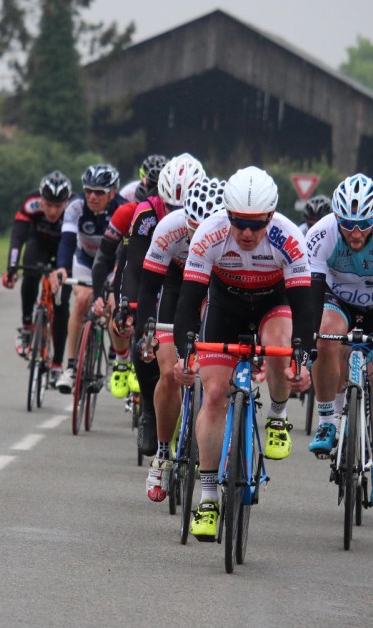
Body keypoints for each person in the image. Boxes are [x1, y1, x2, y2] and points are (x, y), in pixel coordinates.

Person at [171, 167, 313, 541]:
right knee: (214, 395)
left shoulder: (289, 238)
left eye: (256, 224)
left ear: (271, 216)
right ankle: (207, 497)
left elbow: (304, 307)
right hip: (225, 307)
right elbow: (189, 300)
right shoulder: (210, 233)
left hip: (272, 304)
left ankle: (279, 416)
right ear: (227, 214)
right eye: (239, 223)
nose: (247, 233)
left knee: (282, 346)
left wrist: (304, 357)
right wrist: (186, 354)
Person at [304, 173, 373, 511]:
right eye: (348, 225)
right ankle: (326, 421)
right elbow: (311, 293)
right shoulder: (321, 233)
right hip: (339, 302)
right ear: (336, 218)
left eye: (363, 225)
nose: (355, 233)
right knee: (323, 334)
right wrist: (306, 339)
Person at [136, 176, 226, 502]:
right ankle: (162, 454)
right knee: (169, 370)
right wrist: (146, 331)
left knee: (219, 370)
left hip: (219, 289)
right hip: (178, 289)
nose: (198, 236)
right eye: (192, 229)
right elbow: (148, 287)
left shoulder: (234, 233)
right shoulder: (169, 227)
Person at [111, 153, 204, 456]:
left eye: (183, 207)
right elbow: (135, 268)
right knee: (145, 339)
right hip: (163, 274)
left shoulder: (213, 212)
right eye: (170, 206)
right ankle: (151, 413)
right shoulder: (148, 213)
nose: (177, 213)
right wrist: (127, 304)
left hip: (200, 276)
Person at [89, 154, 169, 406]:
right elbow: (104, 259)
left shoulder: (176, 216)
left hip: (164, 273)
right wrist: (99, 296)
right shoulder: (127, 211)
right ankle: (122, 361)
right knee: (118, 307)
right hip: (127, 266)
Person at [53, 165, 126, 394]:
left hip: (114, 263)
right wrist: (62, 268)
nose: (92, 196)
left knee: (115, 306)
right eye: (88, 191)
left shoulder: (123, 209)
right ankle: (72, 367)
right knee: (82, 300)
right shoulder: (75, 206)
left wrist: (115, 285)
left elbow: (127, 253)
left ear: (112, 192)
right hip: (85, 260)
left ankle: (119, 362)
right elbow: (66, 240)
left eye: (99, 192)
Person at [2, 171, 74, 381]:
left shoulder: (75, 208)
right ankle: (26, 327)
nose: (52, 211)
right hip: (39, 245)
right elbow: (17, 238)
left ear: (66, 202)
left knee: (61, 305)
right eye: (48, 205)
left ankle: (57, 364)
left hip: (64, 249)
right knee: (29, 274)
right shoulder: (30, 204)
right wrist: (11, 268)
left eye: (58, 206)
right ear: (40, 199)